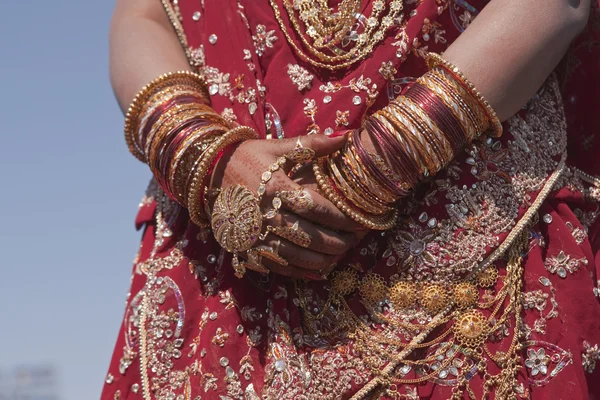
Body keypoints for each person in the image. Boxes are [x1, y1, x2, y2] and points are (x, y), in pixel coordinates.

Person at [102, 0, 600, 398]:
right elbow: (143, 14)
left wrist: (374, 166)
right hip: (220, 254)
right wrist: (202, 154)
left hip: (468, 226)